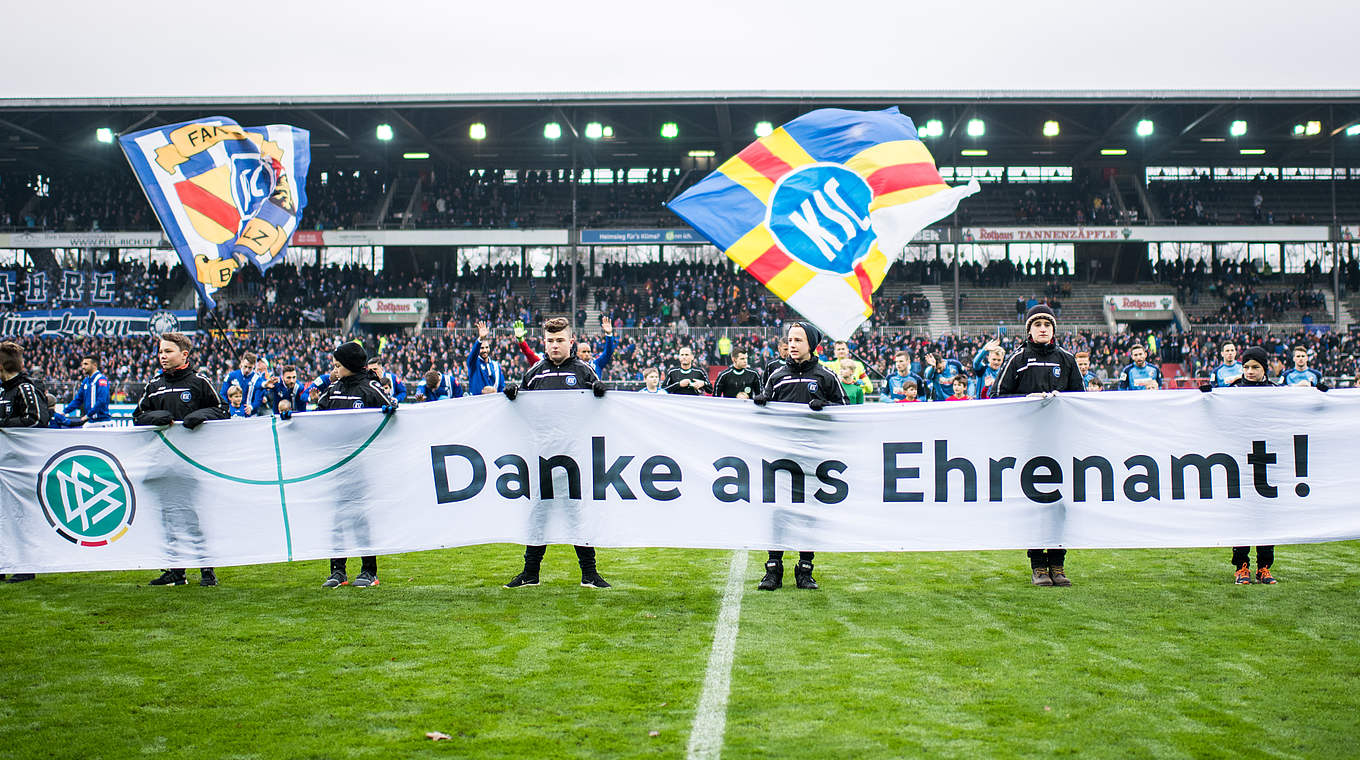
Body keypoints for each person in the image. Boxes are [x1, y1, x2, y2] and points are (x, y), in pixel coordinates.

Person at [502, 317, 611, 590]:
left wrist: (601, 393)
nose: (554, 346)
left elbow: (604, 412)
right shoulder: (536, 373)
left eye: (560, 340)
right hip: (543, 458)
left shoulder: (585, 371)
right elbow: (522, 412)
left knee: (578, 514)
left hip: (576, 457)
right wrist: (513, 395)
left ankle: (589, 574)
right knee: (538, 515)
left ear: (570, 341)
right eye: (550, 341)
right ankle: (530, 573)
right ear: (544, 342)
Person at [994, 304, 1084, 587]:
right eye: (1037, 324)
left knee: (1060, 504)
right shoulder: (1018, 358)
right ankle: (1038, 566)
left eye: (1047, 324)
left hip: (1060, 444)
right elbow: (998, 395)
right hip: (1029, 445)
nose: (1043, 328)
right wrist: (1029, 401)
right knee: (1034, 504)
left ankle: (1058, 565)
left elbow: (1080, 400)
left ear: (1054, 329)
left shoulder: (1067, 359)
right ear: (1029, 330)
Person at [752, 320, 847, 590]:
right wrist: (760, 403)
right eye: (790, 340)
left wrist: (826, 405)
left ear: (811, 345)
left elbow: (846, 411)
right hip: (781, 458)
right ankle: (773, 569)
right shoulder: (777, 376)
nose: (792, 345)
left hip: (812, 458)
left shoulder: (826, 376)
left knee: (808, 514)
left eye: (798, 340)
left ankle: (805, 569)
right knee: (777, 513)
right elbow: (763, 411)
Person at [133, 332, 229, 587]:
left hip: (194, 464)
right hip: (162, 463)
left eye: (168, 352)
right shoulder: (154, 384)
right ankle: (176, 571)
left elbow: (223, 410)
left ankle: (207, 569)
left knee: (195, 517)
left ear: (184, 354)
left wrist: (201, 414)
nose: (162, 356)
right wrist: (158, 417)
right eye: (160, 352)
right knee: (167, 518)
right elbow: (138, 415)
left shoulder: (199, 381)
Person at [315, 341, 398, 589]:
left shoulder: (371, 388)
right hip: (337, 466)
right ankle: (338, 571)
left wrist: (389, 411)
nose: (335, 369)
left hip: (364, 466)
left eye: (338, 365)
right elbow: (315, 416)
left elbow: (393, 411)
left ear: (350, 366)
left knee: (362, 518)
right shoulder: (334, 390)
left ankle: (369, 570)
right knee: (338, 518)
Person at [1226, 346, 1285, 584]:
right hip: (1239, 461)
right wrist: (1206, 396)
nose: (1250, 372)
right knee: (1241, 514)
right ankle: (1241, 565)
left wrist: (1317, 394)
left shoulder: (1275, 391)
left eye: (1255, 367)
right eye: (1246, 367)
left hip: (1266, 461)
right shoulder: (1232, 390)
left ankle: (1264, 567)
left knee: (1265, 515)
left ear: (1264, 368)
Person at [0, 341, 49, 582]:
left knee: (20, 517)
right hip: (4, 465)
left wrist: (5, 426)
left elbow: (38, 420)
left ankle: (25, 566)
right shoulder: (3, 390)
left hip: (21, 466)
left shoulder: (25, 388)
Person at [515, 315, 616, 378]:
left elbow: (608, 353)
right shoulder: (542, 366)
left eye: (589, 352)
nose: (587, 354)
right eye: (584, 352)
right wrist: (521, 341)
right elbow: (530, 355)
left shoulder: (594, 365)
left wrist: (609, 335)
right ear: (577, 352)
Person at [63, 354, 112, 426]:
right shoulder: (86, 381)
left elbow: (101, 401)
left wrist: (88, 415)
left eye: (86, 364)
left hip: (101, 422)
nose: (83, 367)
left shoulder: (101, 380)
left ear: (94, 365)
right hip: (90, 421)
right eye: (82, 364)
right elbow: (78, 399)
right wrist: (64, 412)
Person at [467, 321, 507, 396]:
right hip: (477, 403)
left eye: (487, 347)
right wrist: (480, 339)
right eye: (482, 348)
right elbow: (473, 354)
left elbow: (501, 386)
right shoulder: (474, 363)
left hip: (493, 402)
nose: (485, 350)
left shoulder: (496, 366)